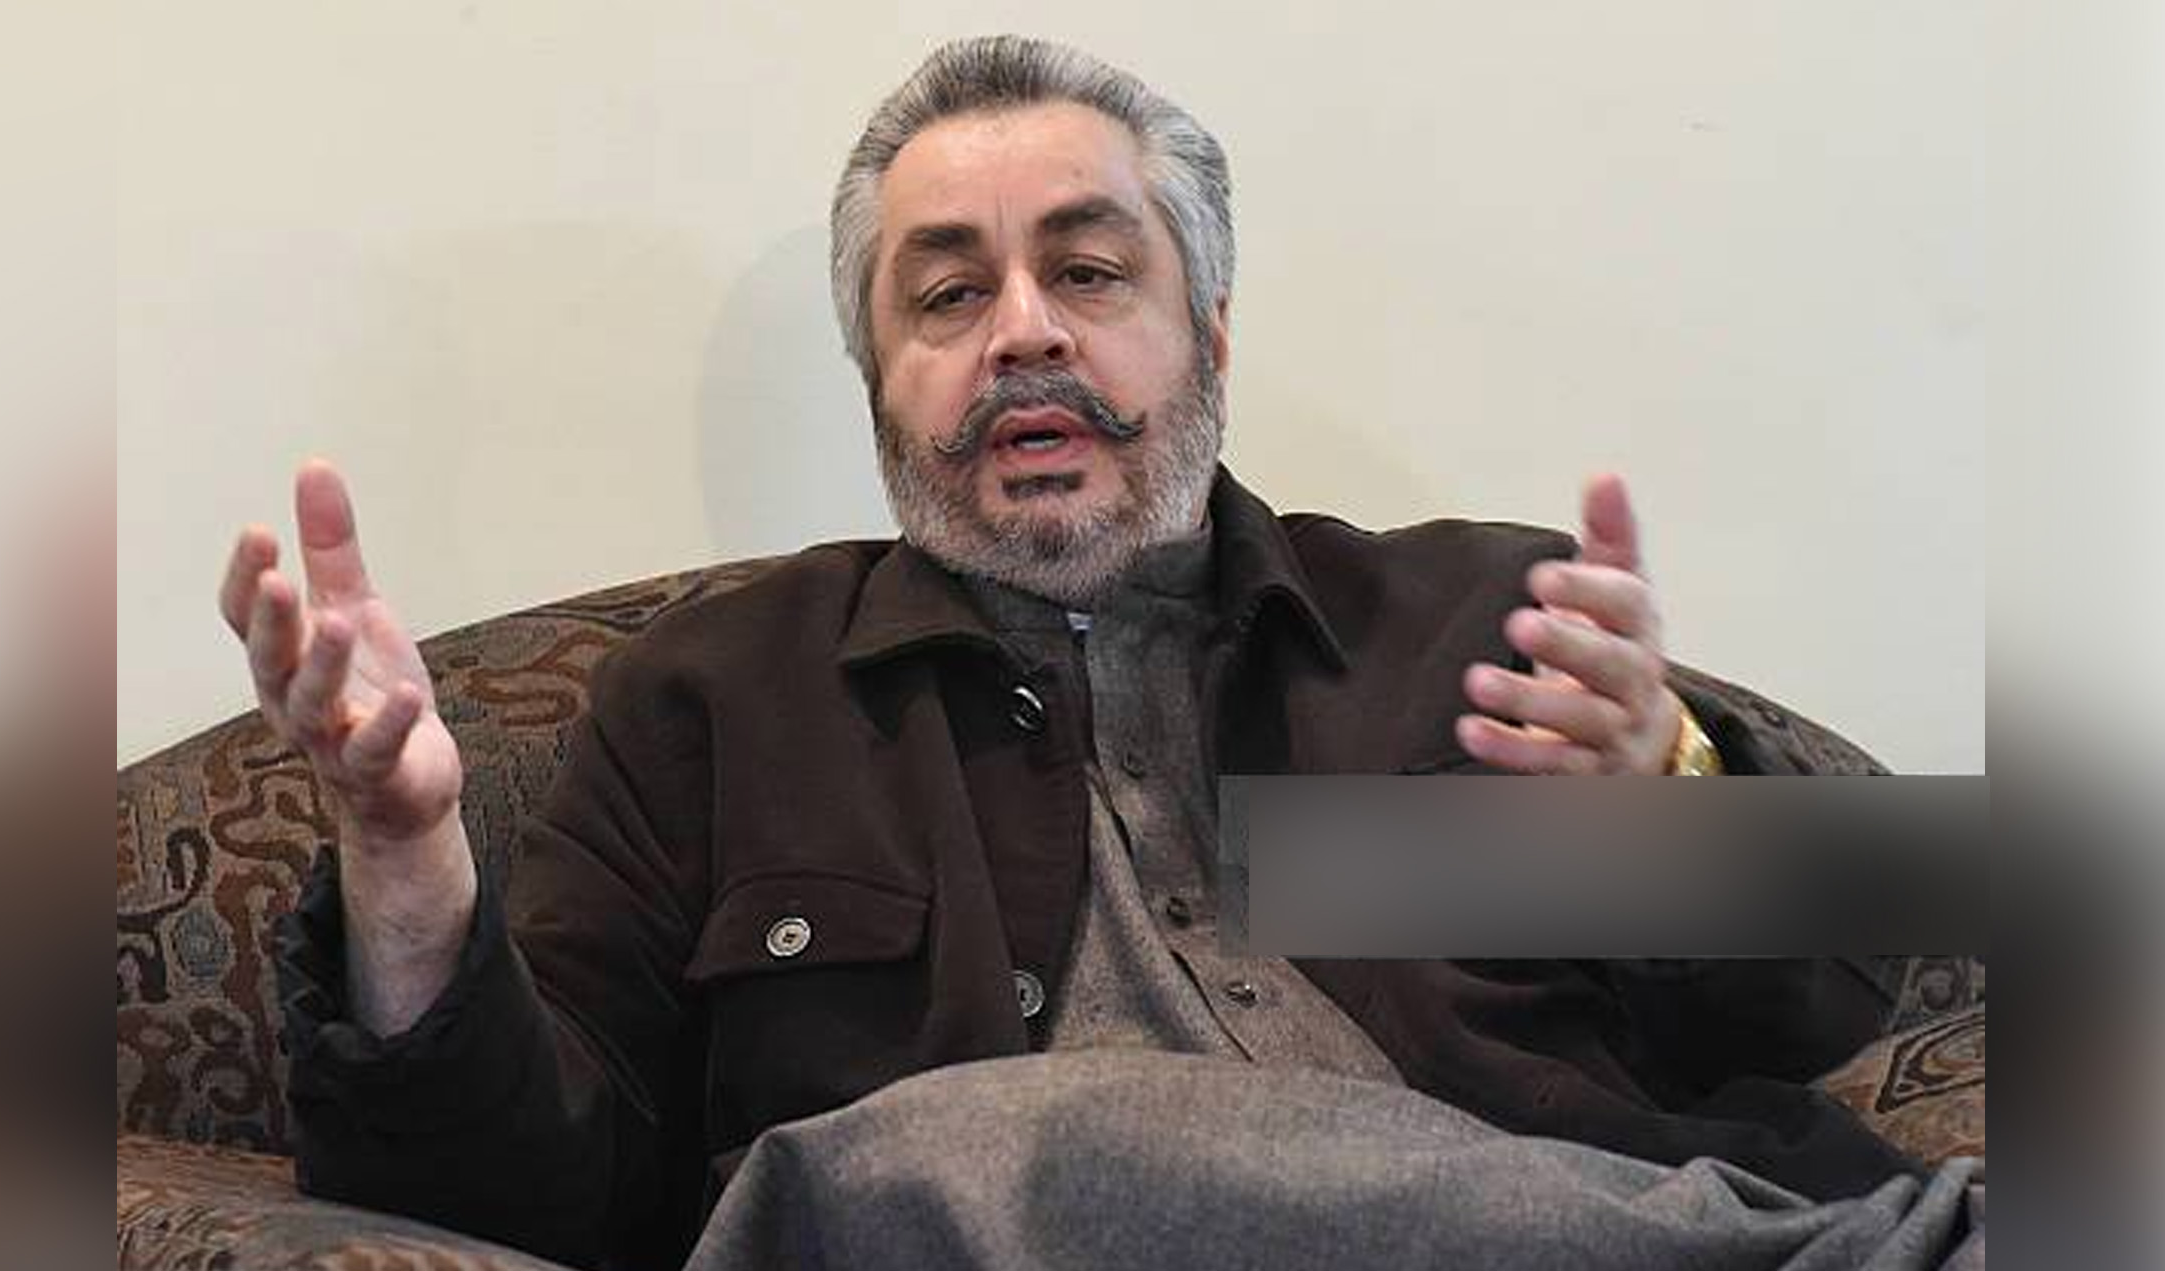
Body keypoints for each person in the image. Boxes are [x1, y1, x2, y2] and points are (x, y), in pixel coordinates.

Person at [221, 36, 1963, 1271]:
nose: (1024, 333)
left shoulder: (1467, 629)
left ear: (1210, 333)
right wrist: (404, 863)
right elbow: (521, 1201)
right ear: (881, 386)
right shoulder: (718, 702)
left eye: (1090, 269)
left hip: (1590, 1217)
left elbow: (1835, 1002)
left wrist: (1672, 794)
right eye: (946, 294)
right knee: (961, 1156)